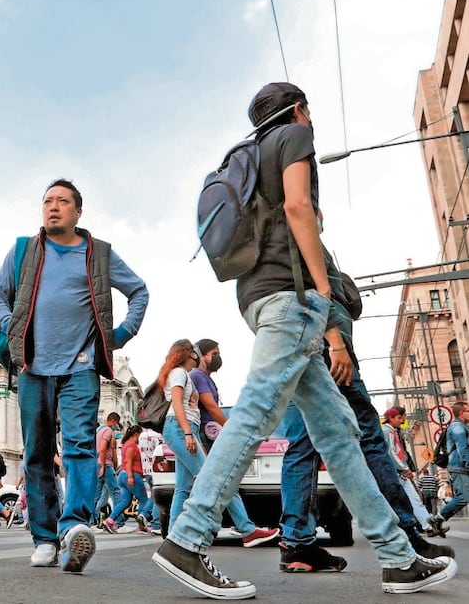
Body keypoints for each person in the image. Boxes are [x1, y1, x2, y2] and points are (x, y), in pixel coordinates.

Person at [152, 83, 456, 598]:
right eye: (307, 111)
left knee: (337, 428)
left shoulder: (243, 156)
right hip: (290, 297)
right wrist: (320, 287)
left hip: (254, 296)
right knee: (256, 413)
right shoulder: (294, 137)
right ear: (297, 110)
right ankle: (188, 537)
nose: (309, 118)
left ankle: (398, 557)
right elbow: (299, 208)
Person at [0, 178, 149, 572]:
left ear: (78, 211)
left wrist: (117, 337)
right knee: (38, 453)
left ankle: (75, 527)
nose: (53, 207)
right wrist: (14, 326)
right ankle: (44, 537)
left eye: (62, 201)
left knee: (79, 445)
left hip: (81, 367)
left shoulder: (98, 254)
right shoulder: (24, 250)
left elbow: (139, 292)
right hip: (32, 366)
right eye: (47, 201)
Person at [279, 246, 453, 573]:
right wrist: (336, 343)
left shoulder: (274, 250)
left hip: (290, 359)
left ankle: (296, 543)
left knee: (300, 449)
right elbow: (324, 298)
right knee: (371, 442)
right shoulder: (308, 246)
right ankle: (406, 532)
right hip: (328, 357)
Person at [159, 339, 278, 548]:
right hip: (180, 428)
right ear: (189, 354)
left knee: (183, 487)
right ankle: (247, 529)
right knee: (213, 479)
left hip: (183, 428)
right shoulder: (179, 373)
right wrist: (188, 433)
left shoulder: (185, 375)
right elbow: (177, 404)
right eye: (195, 352)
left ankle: (173, 537)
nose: (197, 356)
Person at [381, 408, 433, 532]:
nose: (402, 420)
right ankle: (423, 526)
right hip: (397, 473)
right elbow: (391, 453)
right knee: (403, 501)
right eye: (399, 418)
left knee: (414, 499)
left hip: (400, 473)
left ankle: (428, 526)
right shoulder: (388, 432)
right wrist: (404, 469)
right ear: (391, 418)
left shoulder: (392, 431)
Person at [426, 402, 469, 535]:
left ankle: (436, 522)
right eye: (468, 411)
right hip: (460, 467)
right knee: (464, 497)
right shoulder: (457, 427)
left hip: (460, 467)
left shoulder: (461, 426)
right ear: (462, 413)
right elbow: (463, 449)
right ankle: (437, 519)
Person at [104, 425, 148, 534]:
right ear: (136, 434)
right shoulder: (131, 446)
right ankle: (141, 525)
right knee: (143, 500)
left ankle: (110, 520)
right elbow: (129, 462)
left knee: (125, 501)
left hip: (123, 476)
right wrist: (131, 476)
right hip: (132, 474)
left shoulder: (125, 445)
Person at [189, 339, 226, 452]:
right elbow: (211, 406)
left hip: (211, 432)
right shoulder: (197, 376)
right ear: (200, 356)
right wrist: (229, 428)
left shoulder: (205, 377)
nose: (217, 358)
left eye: (218, 354)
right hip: (205, 434)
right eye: (214, 354)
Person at [94, 412, 122, 529]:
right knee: (116, 492)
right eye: (117, 423)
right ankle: (118, 522)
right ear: (113, 421)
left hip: (97, 463)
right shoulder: (108, 431)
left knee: (96, 495)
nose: (117, 426)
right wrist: (102, 465)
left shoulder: (98, 431)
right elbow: (103, 447)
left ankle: (92, 521)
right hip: (105, 464)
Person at [138, 426, 163, 534]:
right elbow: (161, 452)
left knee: (154, 495)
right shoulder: (157, 436)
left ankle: (145, 515)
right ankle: (155, 523)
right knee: (158, 497)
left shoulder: (142, 436)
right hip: (155, 470)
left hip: (146, 470)